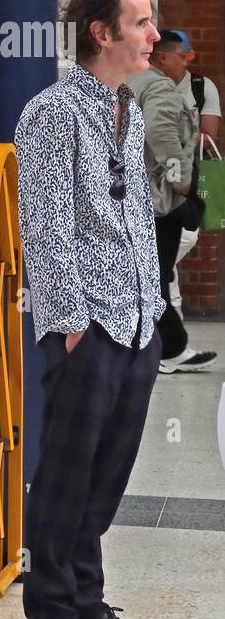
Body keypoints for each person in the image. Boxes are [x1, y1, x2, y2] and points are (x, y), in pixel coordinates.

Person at [15, 0, 171, 619]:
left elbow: (135, 212)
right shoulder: (52, 113)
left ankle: (88, 600)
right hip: (87, 324)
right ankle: (52, 618)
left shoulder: (126, 109)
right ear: (100, 33)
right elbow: (44, 227)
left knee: (106, 473)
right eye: (140, 22)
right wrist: (71, 322)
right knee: (66, 475)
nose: (154, 35)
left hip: (136, 321)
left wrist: (155, 305)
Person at [131, 32, 218, 373]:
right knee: (156, 277)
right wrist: (180, 181)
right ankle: (170, 349)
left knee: (150, 277)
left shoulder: (128, 81)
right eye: (182, 56)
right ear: (163, 58)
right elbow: (162, 134)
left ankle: (166, 347)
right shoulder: (159, 87)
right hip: (160, 202)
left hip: (135, 197)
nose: (186, 61)